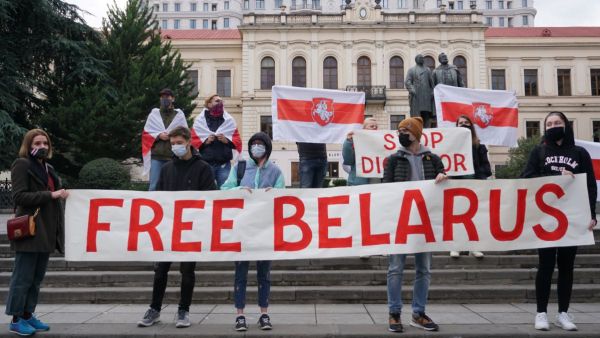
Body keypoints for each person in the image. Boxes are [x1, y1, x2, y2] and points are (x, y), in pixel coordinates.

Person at [521, 111, 597, 332]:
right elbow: (527, 178)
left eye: (558, 122)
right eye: (550, 123)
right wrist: (553, 179)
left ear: (566, 125)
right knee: (545, 265)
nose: (553, 126)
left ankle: (563, 312)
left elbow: (590, 186)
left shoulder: (580, 153)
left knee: (566, 266)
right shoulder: (539, 151)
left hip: (571, 218)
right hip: (546, 219)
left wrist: (591, 214)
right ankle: (541, 313)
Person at [138, 126, 217, 329]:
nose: (176, 147)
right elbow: (159, 199)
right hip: (168, 228)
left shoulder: (203, 168)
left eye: (179, 143)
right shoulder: (166, 169)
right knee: (160, 270)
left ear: (189, 142)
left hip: (191, 229)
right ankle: (154, 309)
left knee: (187, 271)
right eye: (172, 144)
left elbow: (211, 198)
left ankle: (184, 310)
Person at [383, 117, 447, 333]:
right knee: (395, 269)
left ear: (416, 134)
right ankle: (394, 313)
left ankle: (418, 313)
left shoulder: (433, 159)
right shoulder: (393, 160)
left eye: (405, 130)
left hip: (425, 222)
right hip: (400, 220)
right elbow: (385, 188)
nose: (401, 134)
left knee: (424, 269)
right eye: (399, 130)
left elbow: (446, 183)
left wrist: (443, 177)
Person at [6, 129, 69, 336]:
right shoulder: (22, 164)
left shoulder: (48, 167)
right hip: (29, 229)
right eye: (37, 144)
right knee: (22, 277)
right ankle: (16, 318)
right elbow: (19, 197)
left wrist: (61, 194)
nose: (42, 147)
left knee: (36, 278)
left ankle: (27, 314)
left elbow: (53, 194)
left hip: (46, 230)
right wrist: (51, 195)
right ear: (28, 145)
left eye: (45, 143)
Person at [221, 132, 284, 331]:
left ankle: (264, 313)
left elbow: (284, 197)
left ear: (267, 147)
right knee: (240, 274)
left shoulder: (275, 171)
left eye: (260, 143)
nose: (257, 146)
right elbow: (224, 190)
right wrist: (238, 190)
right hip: (242, 229)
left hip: (265, 229)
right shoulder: (240, 167)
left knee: (264, 274)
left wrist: (274, 194)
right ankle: (240, 315)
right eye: (254, 143)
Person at [449, 115, 491, 259]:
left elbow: (487, 167)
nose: (464, 124)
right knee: (457, 216)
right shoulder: (451, 145)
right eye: (460, 123)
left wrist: (480, 176)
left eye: (466, 123)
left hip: (475, 185)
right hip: (456, 184)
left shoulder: (479, 146)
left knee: (474, 217)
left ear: (471, 126)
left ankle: (474, 246)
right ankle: (457, 247)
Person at [143, 88, 188, 191]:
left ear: (173, 98)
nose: (164, 98)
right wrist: (159, 136)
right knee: (154, 186)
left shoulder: (179, 115)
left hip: (173, 156)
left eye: (167, 96)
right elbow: (147, 134)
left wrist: (171, 135)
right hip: (156, 156)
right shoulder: (154, 114)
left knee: (173, 185)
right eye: (162, 97)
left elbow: (184, 133)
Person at [193, 94, 242, 188]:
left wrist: (226, 141)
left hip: (224, 164)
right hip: (206, 163)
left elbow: (237, 141)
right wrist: (205, 142)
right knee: (206, 190)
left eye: (221, 101)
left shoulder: (229, 121)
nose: (220, 103)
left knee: (225, 191)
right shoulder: (200, 121)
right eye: (217, 101)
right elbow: (194, 141)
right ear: (209, 104)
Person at [342, 117, 381, 186]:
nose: (374, 128)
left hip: (376, 184)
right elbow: (348, 160)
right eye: (372, 126)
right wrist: (348, 142)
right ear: (364, 129)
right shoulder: (355, 141)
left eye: (376, 126)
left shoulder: (382, 143)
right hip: (358, 183)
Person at [405, 54, 435, 128]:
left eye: (422, 58)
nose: (422, 59)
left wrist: (432, 92)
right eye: (420, 58)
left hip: (426, 96)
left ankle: (426, 129)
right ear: (416, 60)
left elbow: (432, 83)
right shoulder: (412, 70)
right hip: (416, 96)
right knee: (416, 115)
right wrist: (412, 90)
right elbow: (407, 82)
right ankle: (417, 129)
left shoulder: (427, 70)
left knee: (426, 114)